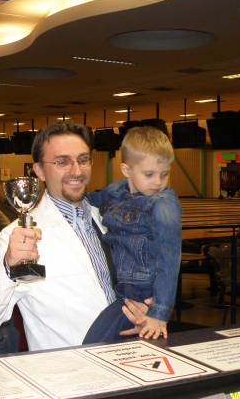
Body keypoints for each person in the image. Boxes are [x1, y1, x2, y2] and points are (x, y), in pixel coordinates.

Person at [0, 121, 151, 351]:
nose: (76, 171)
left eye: (83, 159)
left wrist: (149, 311)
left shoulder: (113, 220)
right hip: (72, 367)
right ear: (39, 171)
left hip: (130, 356)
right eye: (62, 162)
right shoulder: (18, 236)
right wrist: (7, 267)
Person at [82, 126, 181, 343]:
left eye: (164, 174)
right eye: (149, 174)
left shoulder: (163, 205)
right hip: (121, 287)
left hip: (142, 292)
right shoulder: (115, 191)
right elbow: (86, 200)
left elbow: (169, 260)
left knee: (93, 343)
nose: (158, 182)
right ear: (126, 170)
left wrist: (159, 313)